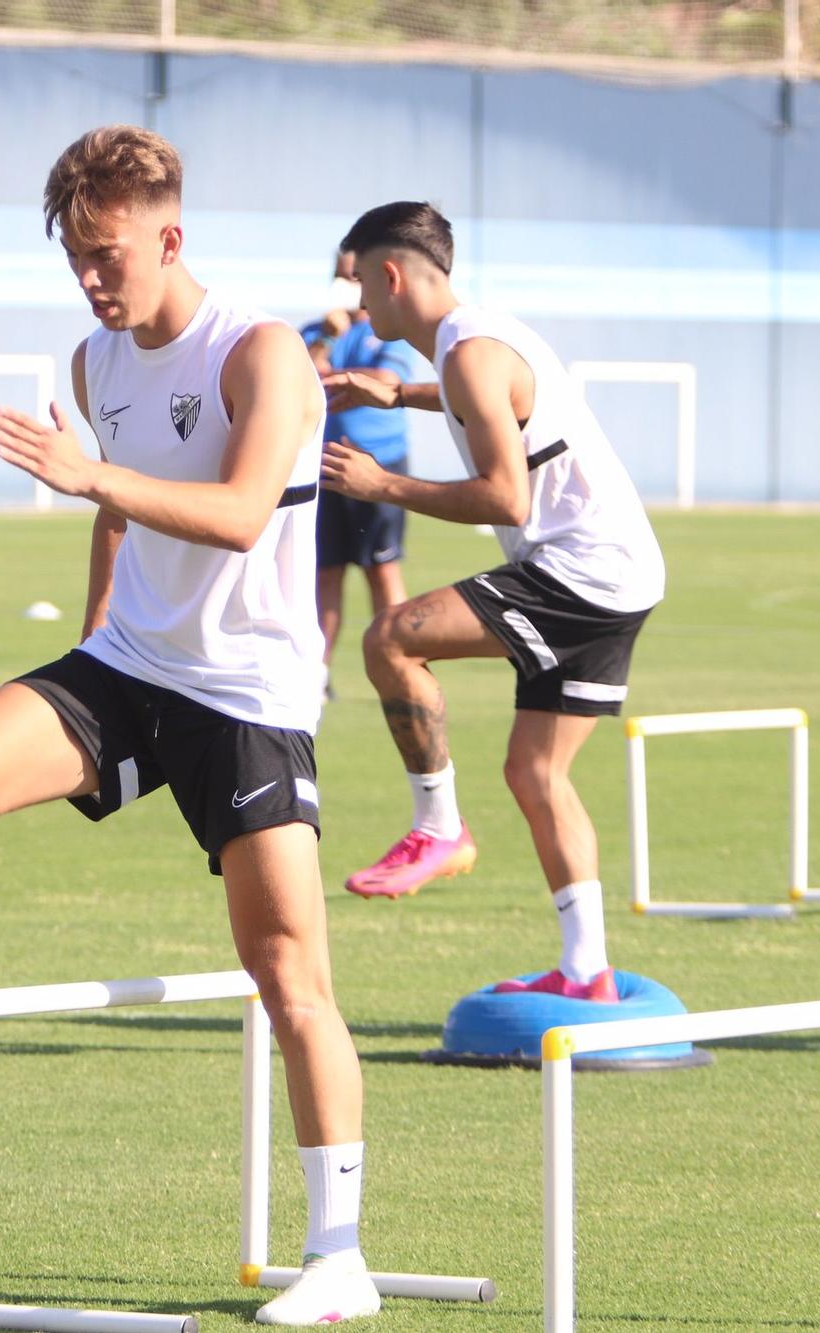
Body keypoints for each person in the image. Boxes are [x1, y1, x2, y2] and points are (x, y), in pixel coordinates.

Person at [0, 126, 382, 1325]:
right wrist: (90, 645)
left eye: (107, 253)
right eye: (75, 258)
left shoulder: (261, 350)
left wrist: (89, 480)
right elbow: (117, 521)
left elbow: (240, 515)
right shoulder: (91, 362)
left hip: (247, 696)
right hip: (128, 666)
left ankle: (338, 1255)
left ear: (169, 235)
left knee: (289, 977)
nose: (91, 278)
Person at [320, 202, 664, 1002]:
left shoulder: (470, 351)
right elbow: (484, 399)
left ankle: (438, 827)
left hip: (576, 572)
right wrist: (397, 393)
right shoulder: (476, 338)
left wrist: (382, 484)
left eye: (363, 282)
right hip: (621, 572)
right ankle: (589, 973)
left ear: (393, 274)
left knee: (391, 639)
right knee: (536, 772)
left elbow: (506, 499)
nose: (361, 303)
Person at [300, 252, 416, 700]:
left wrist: (336, 375)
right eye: (340, 276)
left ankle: (402, 662)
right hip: (325, 467)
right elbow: (297, 377)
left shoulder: (391, 330)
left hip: (381, 465)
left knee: (381, 567)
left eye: (354, 276)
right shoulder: (316, 330)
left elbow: (387, 379)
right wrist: (326, 343)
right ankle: (316, 672)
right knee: (324, 574)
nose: (347, 284)